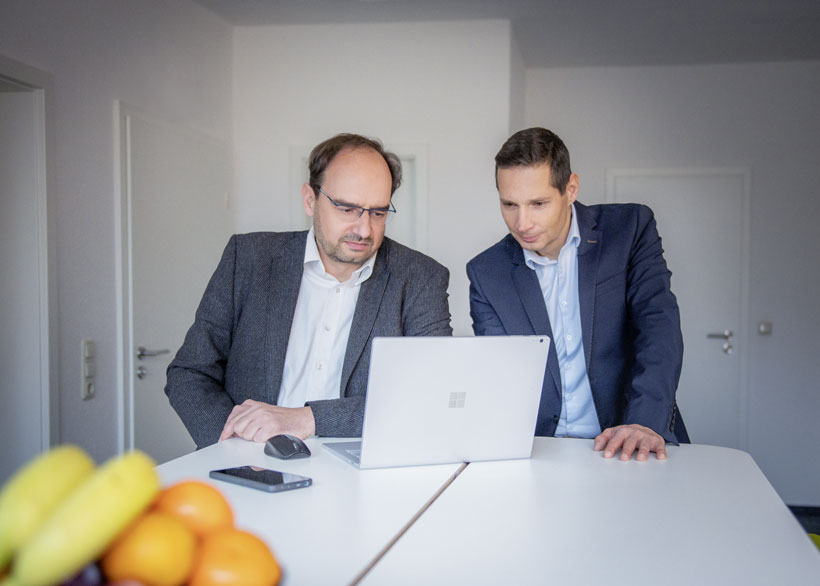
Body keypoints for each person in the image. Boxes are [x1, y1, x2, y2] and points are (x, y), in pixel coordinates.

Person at [166, 133, 452, 448]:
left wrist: (307, 419)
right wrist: (232, 446)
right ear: (310, 200)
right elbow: (190, 372)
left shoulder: (420, 278)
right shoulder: (248, 259)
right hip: (249, 460)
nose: (363, 229)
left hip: (358, 465)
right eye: (347, 209)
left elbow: (430, 394)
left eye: (378, 213)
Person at [466, 127, 688, 461]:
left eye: (538, 203)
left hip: (627, 441)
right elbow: (501, 373)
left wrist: (644, 422)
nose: (522, 223)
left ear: (570, 189)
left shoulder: (629, 229)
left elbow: (658, 327)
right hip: (538, 452)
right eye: (509, 204)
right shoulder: (487, 273)